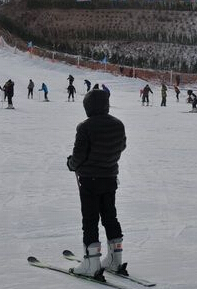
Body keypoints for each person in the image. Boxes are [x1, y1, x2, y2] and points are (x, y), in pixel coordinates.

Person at [66, 89, 127, 278]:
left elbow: (79, 156)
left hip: (90, 180)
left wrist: (70, 163)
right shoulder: (118, 124)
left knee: (90, 219)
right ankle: (115, 260)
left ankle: (91, 263)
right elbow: (121, 146)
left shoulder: (85, 127)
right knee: (110, 216)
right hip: (109, 177)